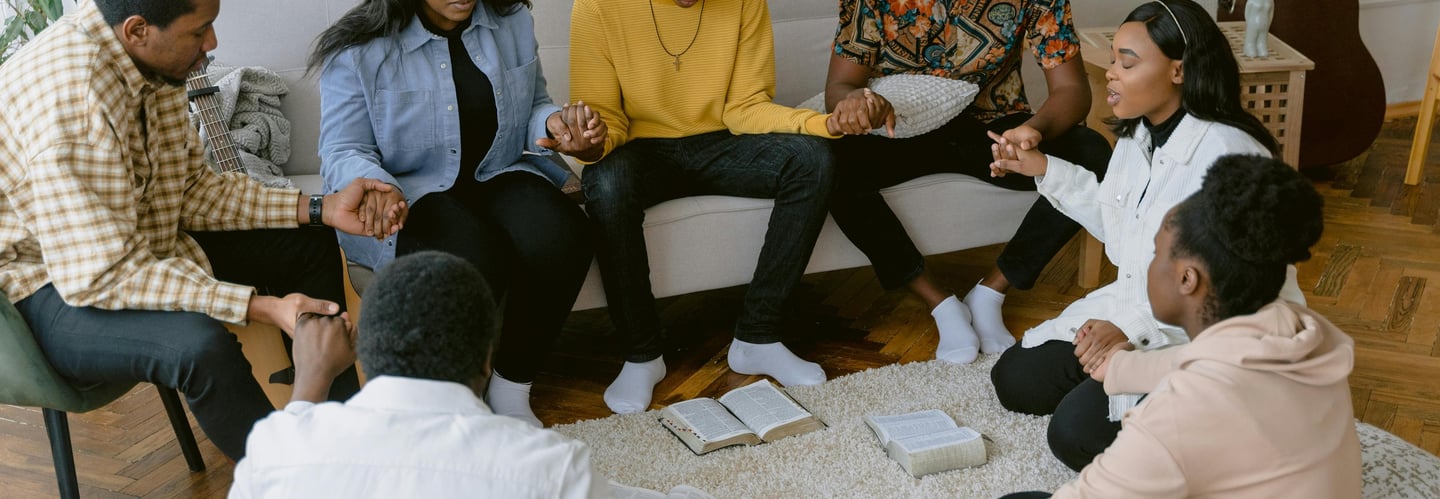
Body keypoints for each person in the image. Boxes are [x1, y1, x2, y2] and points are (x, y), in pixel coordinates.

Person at [0, 0, 399, 461]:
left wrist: (320, 207)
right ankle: (280, 478)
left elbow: (190, 190)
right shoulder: (74, 110)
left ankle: (339, 438)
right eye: (199, 31)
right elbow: (105, 274)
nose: (212, 42)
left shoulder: (149, 62)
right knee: (199, 347)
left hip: (126, 244)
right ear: (138, 30)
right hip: (43, 287)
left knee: (306, 243)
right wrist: (264, 307)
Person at [984, 0, 1307, 471]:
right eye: (1114, 59)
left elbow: (1230, 295)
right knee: (1016, 380)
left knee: (1075, 434)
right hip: (1141, 304)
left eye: (1127, 62)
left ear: (1179, 70)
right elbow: (1118, 224)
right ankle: (1122, 387)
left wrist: (1129, 330)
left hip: (1218, 338)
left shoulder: (1232, 156)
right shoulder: (1139, 138)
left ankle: (1220, 428)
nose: (1112, 73)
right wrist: (1042, 168)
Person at [311, 0, 601, 427]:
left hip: (495, 170)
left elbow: (534, 104)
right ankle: (458, 401)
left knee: (565, 235)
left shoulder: (512, 20)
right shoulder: (357, 47)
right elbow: (342, 148)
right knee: (470, 257)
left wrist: (553, 124)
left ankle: (512, 385)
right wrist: (375, 185)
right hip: (411, 190)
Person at [1001, 154, 1360, 498]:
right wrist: (1123, 367)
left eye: (1155, 254)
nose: (1147, 265)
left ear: (1187, 279)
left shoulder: (1173, 416)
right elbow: (1210, 360)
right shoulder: (1305, 330)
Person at [569, 0, 844, 414]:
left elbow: (746, 107)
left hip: (722, 142)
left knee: (813, 160)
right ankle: (641, 354)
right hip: (640, 149)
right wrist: (591, 145)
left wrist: (821, 124)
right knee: (606, 182)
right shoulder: (597, 5)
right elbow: (607, 119)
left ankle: (758, 337)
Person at [824, 0, 1112, 365]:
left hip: (990, 130)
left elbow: (1072, 89)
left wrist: (1032, 131)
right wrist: (855, 100)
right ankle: (941, 304)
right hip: (901, 130)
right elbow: (840, 85)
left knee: (1090, 151)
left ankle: (990, 293)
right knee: (827, 161)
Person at [230, 251, 610, 498]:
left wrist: (309, 382)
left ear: (365, 352)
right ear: (485, 360)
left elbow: (282, 455)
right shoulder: (556, 469)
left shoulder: (274, 451)